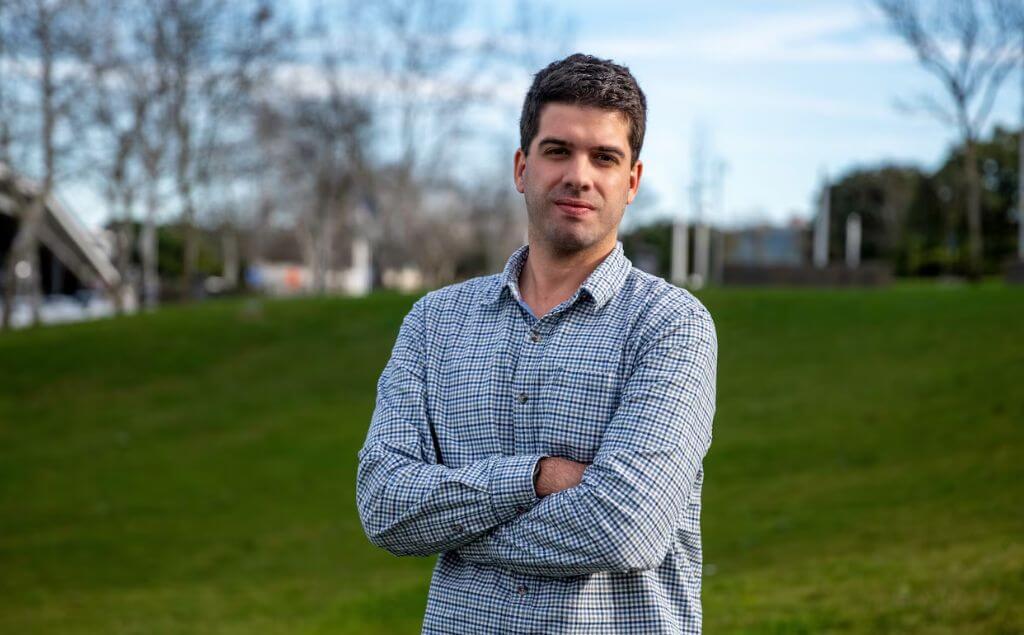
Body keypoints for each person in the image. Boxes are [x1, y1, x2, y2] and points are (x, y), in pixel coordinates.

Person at [356, 53, 717, 634]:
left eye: (604, 157)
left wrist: (454, 527)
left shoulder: (671, 325)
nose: (579, 175)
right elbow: (383, 504)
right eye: (558, 151)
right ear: (522, 168)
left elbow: (628, 527)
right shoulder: (434, 323)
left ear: (632, 182)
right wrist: (538, 477)